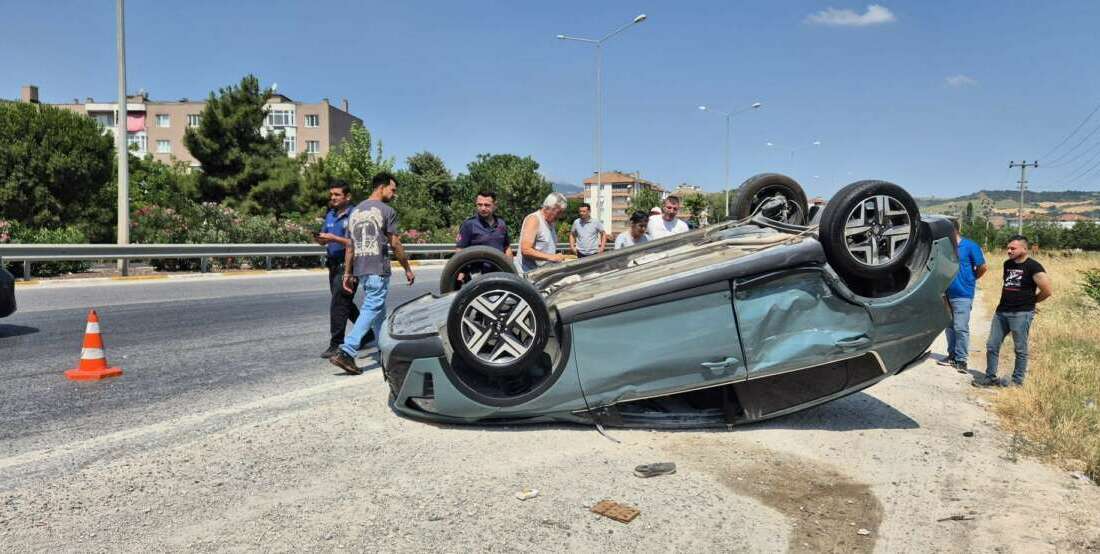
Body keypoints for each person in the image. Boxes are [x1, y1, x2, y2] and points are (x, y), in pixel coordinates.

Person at [329, 172, 415, 375]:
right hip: (377, 267)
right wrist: (407, 268)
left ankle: (385, 350)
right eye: (392, 190)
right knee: (372, 307)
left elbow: (350, 247)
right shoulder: (387, 210)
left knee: (379, 313)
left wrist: (348, 273)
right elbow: (395, 243)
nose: (394, 194)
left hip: (361, 269)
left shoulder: (355, 211)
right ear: (381, 187)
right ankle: (347, 351)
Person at [973, 235, 1053, 388]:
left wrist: (1031, 302)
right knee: (992, 345)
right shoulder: (1007, 264)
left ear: (1024, 249)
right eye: (1008, 248)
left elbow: (1047, 291)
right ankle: (990, 378)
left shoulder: (1034, 267)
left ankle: (1017, 381)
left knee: (1020, 349)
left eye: (1013, 248)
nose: (1009, 251)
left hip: (1021, 313)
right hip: (1002, 312)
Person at [315, 181, 360, 359]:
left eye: (337, 194)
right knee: (344, 303)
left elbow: (354, 243)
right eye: (331, 194)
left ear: (347, 197)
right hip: (333, 264)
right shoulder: (330, 214)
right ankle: (368, 333)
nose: (332, 197)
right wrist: (321, 239)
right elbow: (325, 237)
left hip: (348, 265)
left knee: (338, 304)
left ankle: (336, 344)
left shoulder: (355, 214)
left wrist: (333, 238)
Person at [938, 219, 987, 373]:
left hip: (963, 294)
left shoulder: (970, 246)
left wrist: (970, 279)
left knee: (960, 327)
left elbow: (982, 267)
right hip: (946, 293)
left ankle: (961, 360)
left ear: (952, 230)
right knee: (949, 326)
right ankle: (952, 356)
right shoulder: (945, 247)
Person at [517, 192, 567, 272]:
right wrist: (551, 257)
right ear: (548, 208)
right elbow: (526, 250)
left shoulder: (551, 223)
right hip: (528, 275)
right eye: (558, 212)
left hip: (542, 273)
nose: (560, 216)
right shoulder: (534, 220)